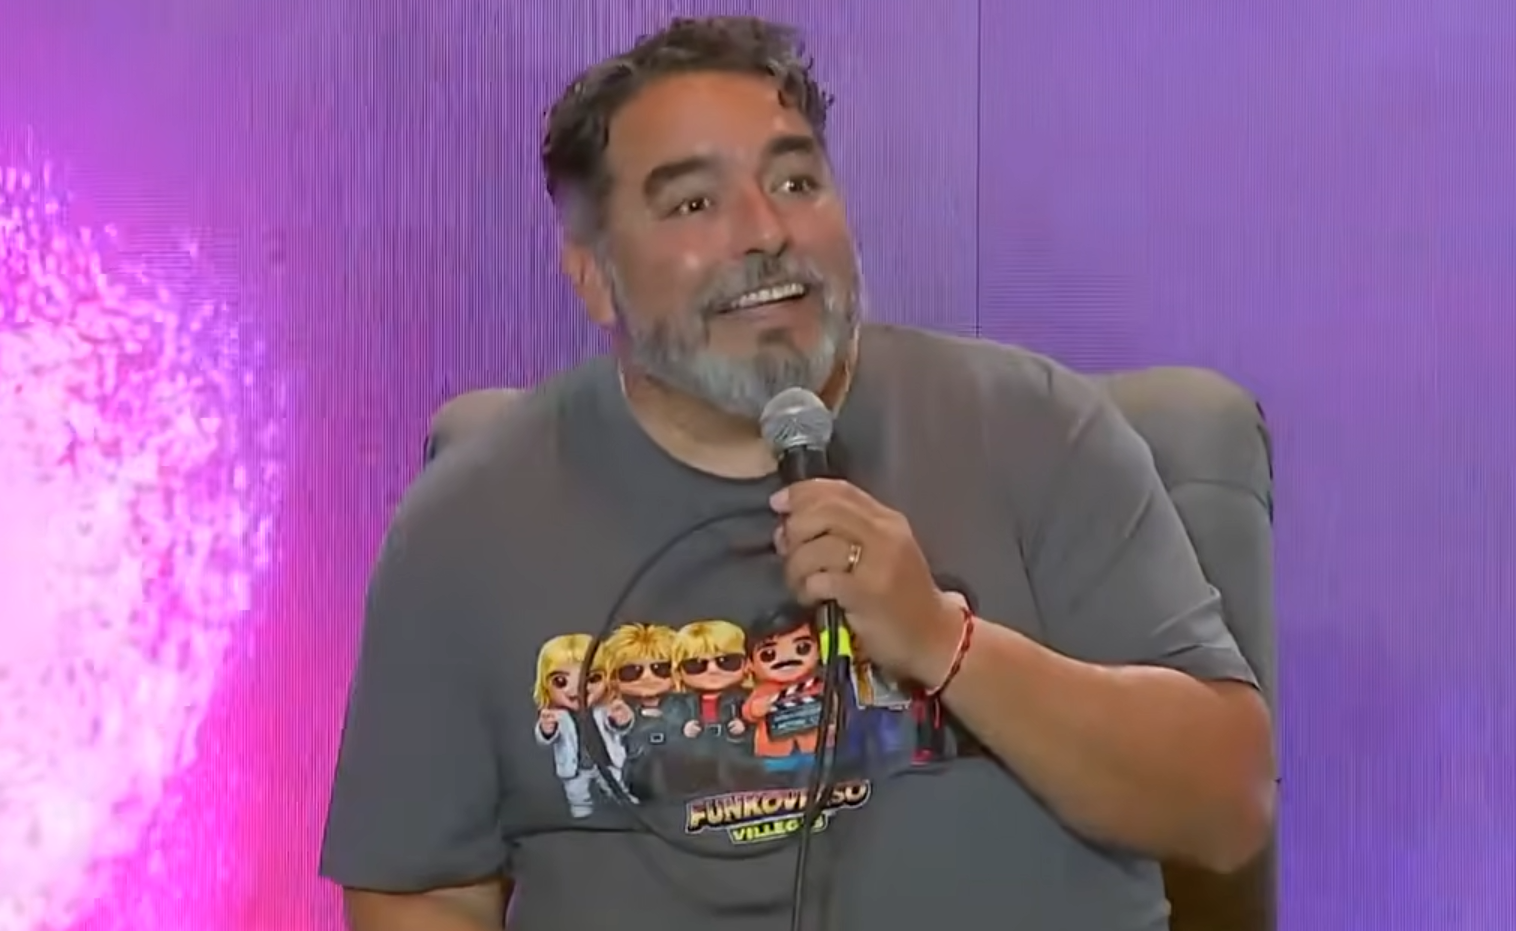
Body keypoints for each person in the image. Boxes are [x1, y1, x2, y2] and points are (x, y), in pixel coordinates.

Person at [319, 15, 1276, 931]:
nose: (764, 230)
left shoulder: (1034, 429)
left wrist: (945, 643)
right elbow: (421, 889)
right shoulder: (472, 522)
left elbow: (1225, 805)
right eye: (694, 203)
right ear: (594, 275)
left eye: (796, 181)